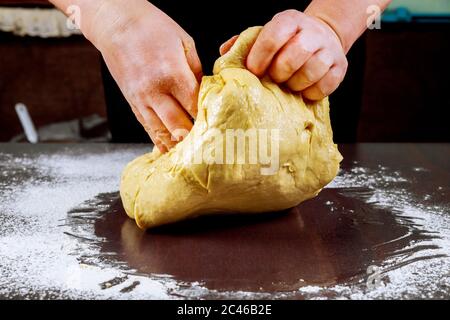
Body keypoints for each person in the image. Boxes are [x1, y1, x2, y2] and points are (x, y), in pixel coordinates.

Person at [50, 0, 391, 151]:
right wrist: (110, 16)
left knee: (316, 229)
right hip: (145, 43)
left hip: (306, 50)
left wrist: (333, 23)